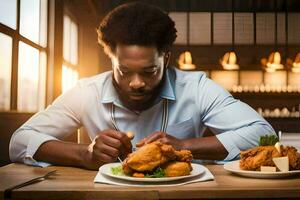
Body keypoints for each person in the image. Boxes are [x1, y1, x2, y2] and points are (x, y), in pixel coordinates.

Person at [9, 2, 275, 170]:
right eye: (124, 71)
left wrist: (185, 144)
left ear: (166, 58)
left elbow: (264, 134)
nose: (136, 83)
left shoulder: (197, 87)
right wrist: (85, 154)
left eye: (150, 71)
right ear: (111, 58)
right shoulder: (85, 91)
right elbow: (20, 141)